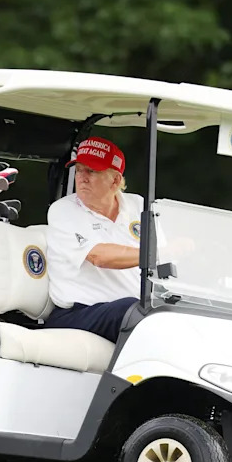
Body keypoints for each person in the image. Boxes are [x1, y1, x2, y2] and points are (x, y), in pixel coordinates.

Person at [44, 137, 141, 342]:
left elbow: (168, 256)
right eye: (79, 169)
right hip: (76, 314)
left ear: (115, 180)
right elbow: (98, 256)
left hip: (129, 310)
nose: (82, 178)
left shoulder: (140, 206)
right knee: (133, 311)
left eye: (92, 171)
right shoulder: (63, 210)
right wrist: (153, 254)